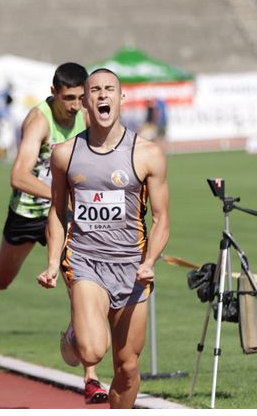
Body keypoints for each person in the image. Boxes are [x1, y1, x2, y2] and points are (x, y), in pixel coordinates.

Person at [0, 62, 108, 404]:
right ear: (53, 93)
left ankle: (91, 378)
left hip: (63, 215)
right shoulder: (38, 121)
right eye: (68, 98)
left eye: (81, 97)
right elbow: (18, 176)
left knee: (80, 286)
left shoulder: (86, 115)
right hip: (28, 212)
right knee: (3, 277)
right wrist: (59, 193)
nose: (76, 105)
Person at [36, 69, 170, 409]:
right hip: (85, 262)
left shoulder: (147, 153)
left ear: (122, 98)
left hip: (131, 268)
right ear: (84, 102)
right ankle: (75, 334)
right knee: (93, 349)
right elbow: (56, 211)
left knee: (127, 367)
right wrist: (53, 262)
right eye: (94, 90)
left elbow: (162, 218)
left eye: (110, 89)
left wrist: (150, 261)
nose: (102, 95)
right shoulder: (65, 153)